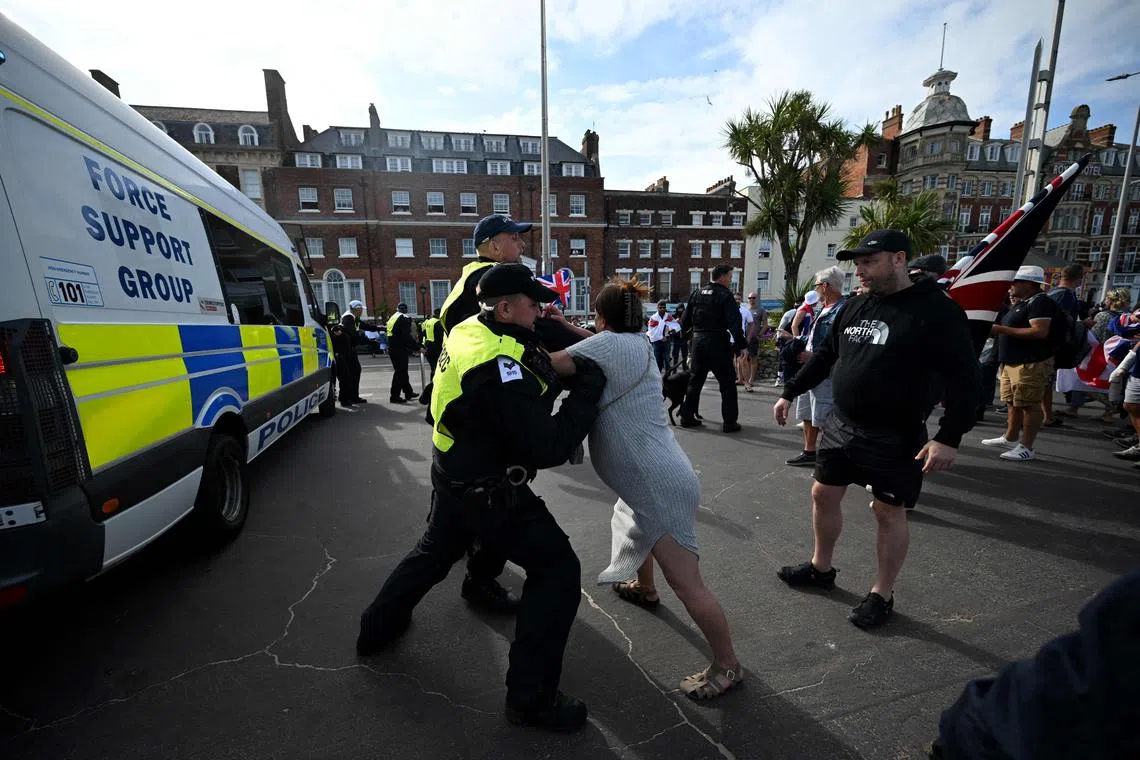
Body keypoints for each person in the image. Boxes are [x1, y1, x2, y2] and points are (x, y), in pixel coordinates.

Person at [356, 263, 608, 732]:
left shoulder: (472, 325)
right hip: (487, 488)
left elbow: (526, 354)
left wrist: (560, 348)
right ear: (507, 308)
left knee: (436, 551)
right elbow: (547, 445)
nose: (541, 312)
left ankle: (376, 626)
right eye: (533, 305)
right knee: (557, 568)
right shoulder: (500, 366)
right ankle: (531, 699)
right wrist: (586, 389)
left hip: (451, 467)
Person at [545, 276, 744, 699]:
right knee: (633, 522)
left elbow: (552, 363)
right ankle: (644, 587)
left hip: (659, 484)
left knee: (689, 585)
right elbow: (595, 342)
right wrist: (565, 323)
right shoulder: (635, 344)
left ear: (601, 318)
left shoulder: (608, 346)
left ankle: (728, 665)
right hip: (657, 476)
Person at [773, 230, 979, 629]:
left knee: (887, 511)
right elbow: (826, 355)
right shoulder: (855, 305)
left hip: (896, 433)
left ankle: (881, 593)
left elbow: (965, 378)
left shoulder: (935, 310)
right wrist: (790, 391)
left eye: (869, 261)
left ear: (899, 259)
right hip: (841, 425)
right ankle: (821, 568)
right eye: (857, 264)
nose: (860, 271)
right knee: (823, 493)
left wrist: (949, 436)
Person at [980, 266, 1062, 462]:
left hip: (1030, 362)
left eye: (1014, 282)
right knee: (1012, 402)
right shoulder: (1025, 302)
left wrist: (1001, 329)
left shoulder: (1041, 303)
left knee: (1028, 405)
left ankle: (1026, 447)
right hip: (1013, 361)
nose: (1011, 286)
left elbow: (1039, 331)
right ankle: (1010, 436)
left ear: (1028, 284)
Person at [785, 266, 846, 468]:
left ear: (826, 286)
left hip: (825, 374)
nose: (815, 289)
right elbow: (813, 337)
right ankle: (809, 452)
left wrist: (815, 356)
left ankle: (829, 462)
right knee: (808, 414)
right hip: (810, 370)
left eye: (817, 285)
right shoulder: (823, 309)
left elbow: (841, 346)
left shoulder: (842, 310)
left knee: (826, 418)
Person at [679, 264, 746, 433]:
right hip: (717, 341)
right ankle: (729, 422)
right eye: (730, 277)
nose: (731, 281)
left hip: (698, 341)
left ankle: (686, 417)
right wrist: (741, 345)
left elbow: (685, 321)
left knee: (695, 381)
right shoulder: (725, 295)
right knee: (727, 383)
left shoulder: (696, 293)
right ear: (722, 276)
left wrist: (688, 338)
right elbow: (734, 322)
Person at [335, 299, 381, 408]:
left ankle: (353, 397)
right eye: (361, 310)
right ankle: (345, 399)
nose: (362, 312)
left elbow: (364, 326)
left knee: (355, 371)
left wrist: (378, 328)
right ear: (356, 309)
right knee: (346, 374)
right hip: (343, 350)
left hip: (349, 349)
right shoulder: (348, 318)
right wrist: (368, 341)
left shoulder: (353, 318)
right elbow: (353, 334)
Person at [385, 303, 419, 404]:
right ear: (406, 310)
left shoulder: (393, 317)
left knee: (402, 372)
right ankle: (394, 396)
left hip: (393, 348)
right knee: (400, 373)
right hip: (400, 350)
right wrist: (417, 347)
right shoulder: (403, 319)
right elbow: (406, 336)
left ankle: (408, 392)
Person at [743, 292, 768, 391]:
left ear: (757, 299)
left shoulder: (761, 310)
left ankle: (751, 380)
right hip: (745, 337)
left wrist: (759, 334)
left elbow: (765, 324)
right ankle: (745, 379)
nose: (751, 299)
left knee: (753, 359)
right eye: (749, 298)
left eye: (753, 298)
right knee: (745, 359)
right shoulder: (745, 310)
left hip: (754, 338)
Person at [418, 309, 443, 404]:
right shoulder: (438, 323)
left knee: (434, 370)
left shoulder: (429, 322)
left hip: (429, 348)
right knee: (437, 371)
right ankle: (432, 392)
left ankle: (432, 389)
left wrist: (422, 345)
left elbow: (423, 334)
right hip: (436, 349)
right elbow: (440, 338)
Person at [646, 300, 678, 372]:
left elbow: (676, 327)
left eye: (664, 307)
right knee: (657, 360)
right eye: (660, 307)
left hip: (667, 341)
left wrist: (668, 335)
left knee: (667, 360)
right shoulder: (653, 318)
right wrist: (660, 337)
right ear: (657, 308)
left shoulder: (669, 317)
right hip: (657, 342)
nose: (662, 309)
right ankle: (658, 378)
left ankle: (667, 378)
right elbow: (651, 331)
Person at [671, 303, 689, 368]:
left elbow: (688, 326)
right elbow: (670, 327)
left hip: (684, 339)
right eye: (678, 308)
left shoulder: (686, 316)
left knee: (685, 356)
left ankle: (685, 369)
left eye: (681, 308)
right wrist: (675, 321)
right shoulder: (674, 316)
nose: (680, 310)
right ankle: (674, 370)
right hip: (676, 339)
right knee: (675, 356)